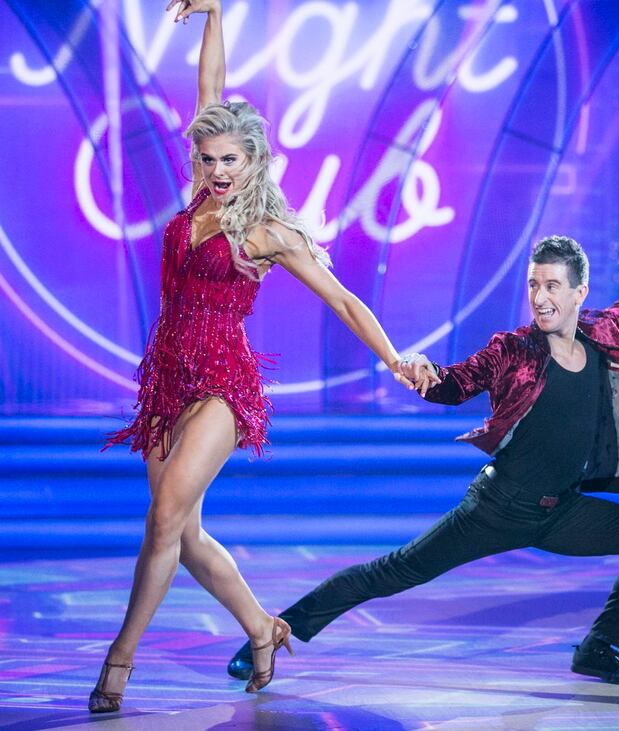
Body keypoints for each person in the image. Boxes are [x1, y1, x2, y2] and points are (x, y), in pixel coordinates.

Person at [88, 0, 425, 713]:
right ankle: (261, 628)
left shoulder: (268, 231)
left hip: (223, 383)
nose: (217, 169)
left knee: (163, 519)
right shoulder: (193, 199)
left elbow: (342, 300)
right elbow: (212, 91)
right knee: (184, 529)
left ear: (255, 161)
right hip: (167, 375)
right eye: (208, 158)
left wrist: (394, 359)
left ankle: (120, 659)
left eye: (230, 160)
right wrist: (212, 12)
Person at [227, 235, 619, 686]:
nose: (540, 298)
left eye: (552, 287)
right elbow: (459, 381)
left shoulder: (600, 333)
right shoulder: (516, 349)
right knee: (389, 572)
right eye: (533, 285)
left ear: (579, 293)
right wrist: (431, 375)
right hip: (496, 509)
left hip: (562, 511)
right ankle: (265, 637)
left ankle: (599, 648)